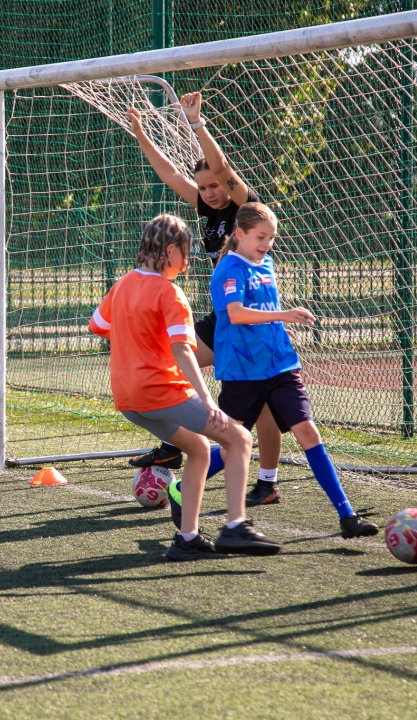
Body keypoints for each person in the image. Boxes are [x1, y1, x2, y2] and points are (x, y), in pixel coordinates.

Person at [89, 213, 281, 560]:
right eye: (187, 251)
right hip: (160, 390)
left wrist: (137, 341)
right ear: (171, 249)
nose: (188, 260)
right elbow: (181, 349)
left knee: (197, 449)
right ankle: (236, 525)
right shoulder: (169, 292)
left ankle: (187, 538)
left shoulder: (122, 285)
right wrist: (207, 398)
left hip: (128, 397)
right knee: (239, 438)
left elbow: (98, 324)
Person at [126, 93, 285, 507]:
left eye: (214, 186)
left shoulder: (244, 209)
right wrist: (141, 133)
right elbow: (169, 174)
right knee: (171, 359)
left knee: (262, 402)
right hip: (224, 319)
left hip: (251, 318)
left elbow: (223, 169)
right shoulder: (206, 208)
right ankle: (173, 443)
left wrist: (197, 125)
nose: (210, 192)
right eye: (204, 188)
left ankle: (265, 481)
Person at [208, 202, 378, 538]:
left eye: (271, 238)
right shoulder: (229, 268)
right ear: (239, 234)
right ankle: (183, 490)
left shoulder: (266, 263)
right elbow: (238, 314)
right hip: (243, 373)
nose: (267, 244)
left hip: (281, 366)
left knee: (308, 432)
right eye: (261, 236)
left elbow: (262, 309)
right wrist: (283, 316)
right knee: (232, 446)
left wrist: (277, 329)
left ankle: (347, 515)